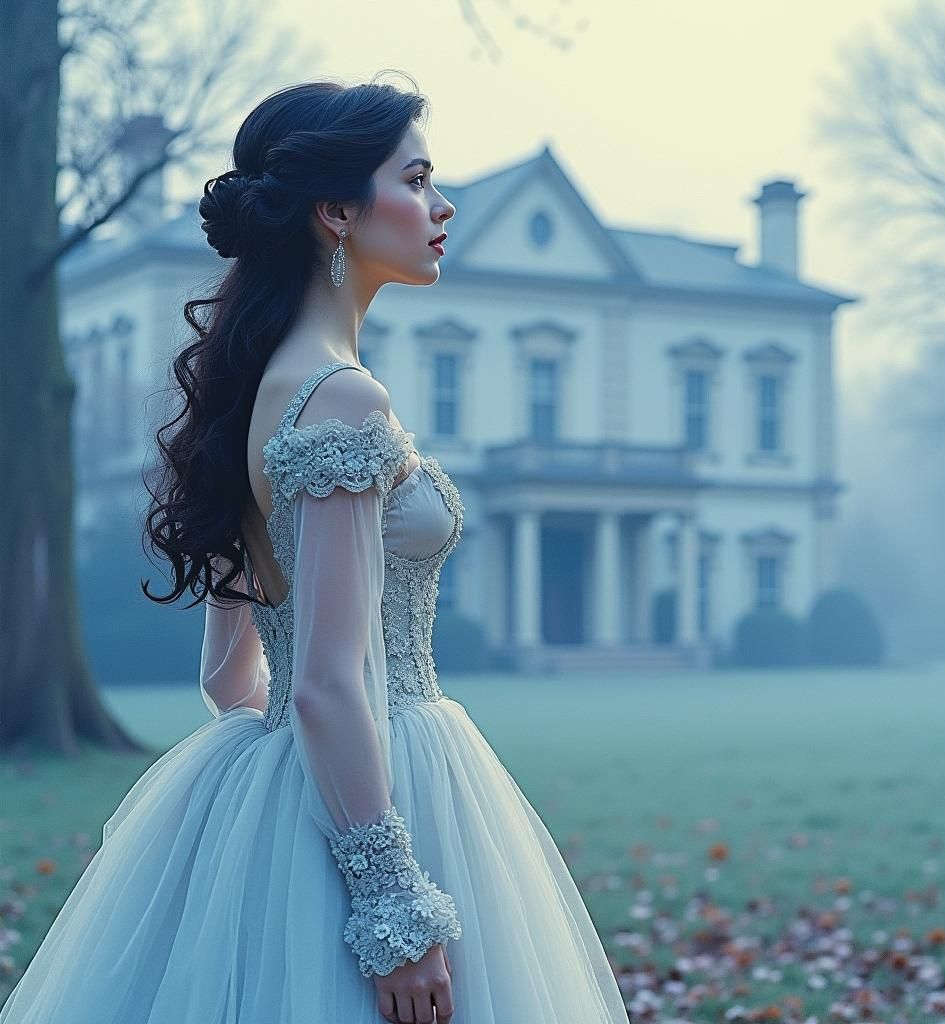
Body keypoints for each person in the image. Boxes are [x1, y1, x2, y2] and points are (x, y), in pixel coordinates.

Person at [0, 74, 631, 1024]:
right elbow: (328, 685)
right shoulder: (339, 396)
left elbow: (227, 677)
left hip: (301, 783)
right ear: (335, 212)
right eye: (416, 180)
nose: (442, 204)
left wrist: (277, 810)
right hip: (390, 765)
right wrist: (390, 907)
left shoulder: (256, 385)